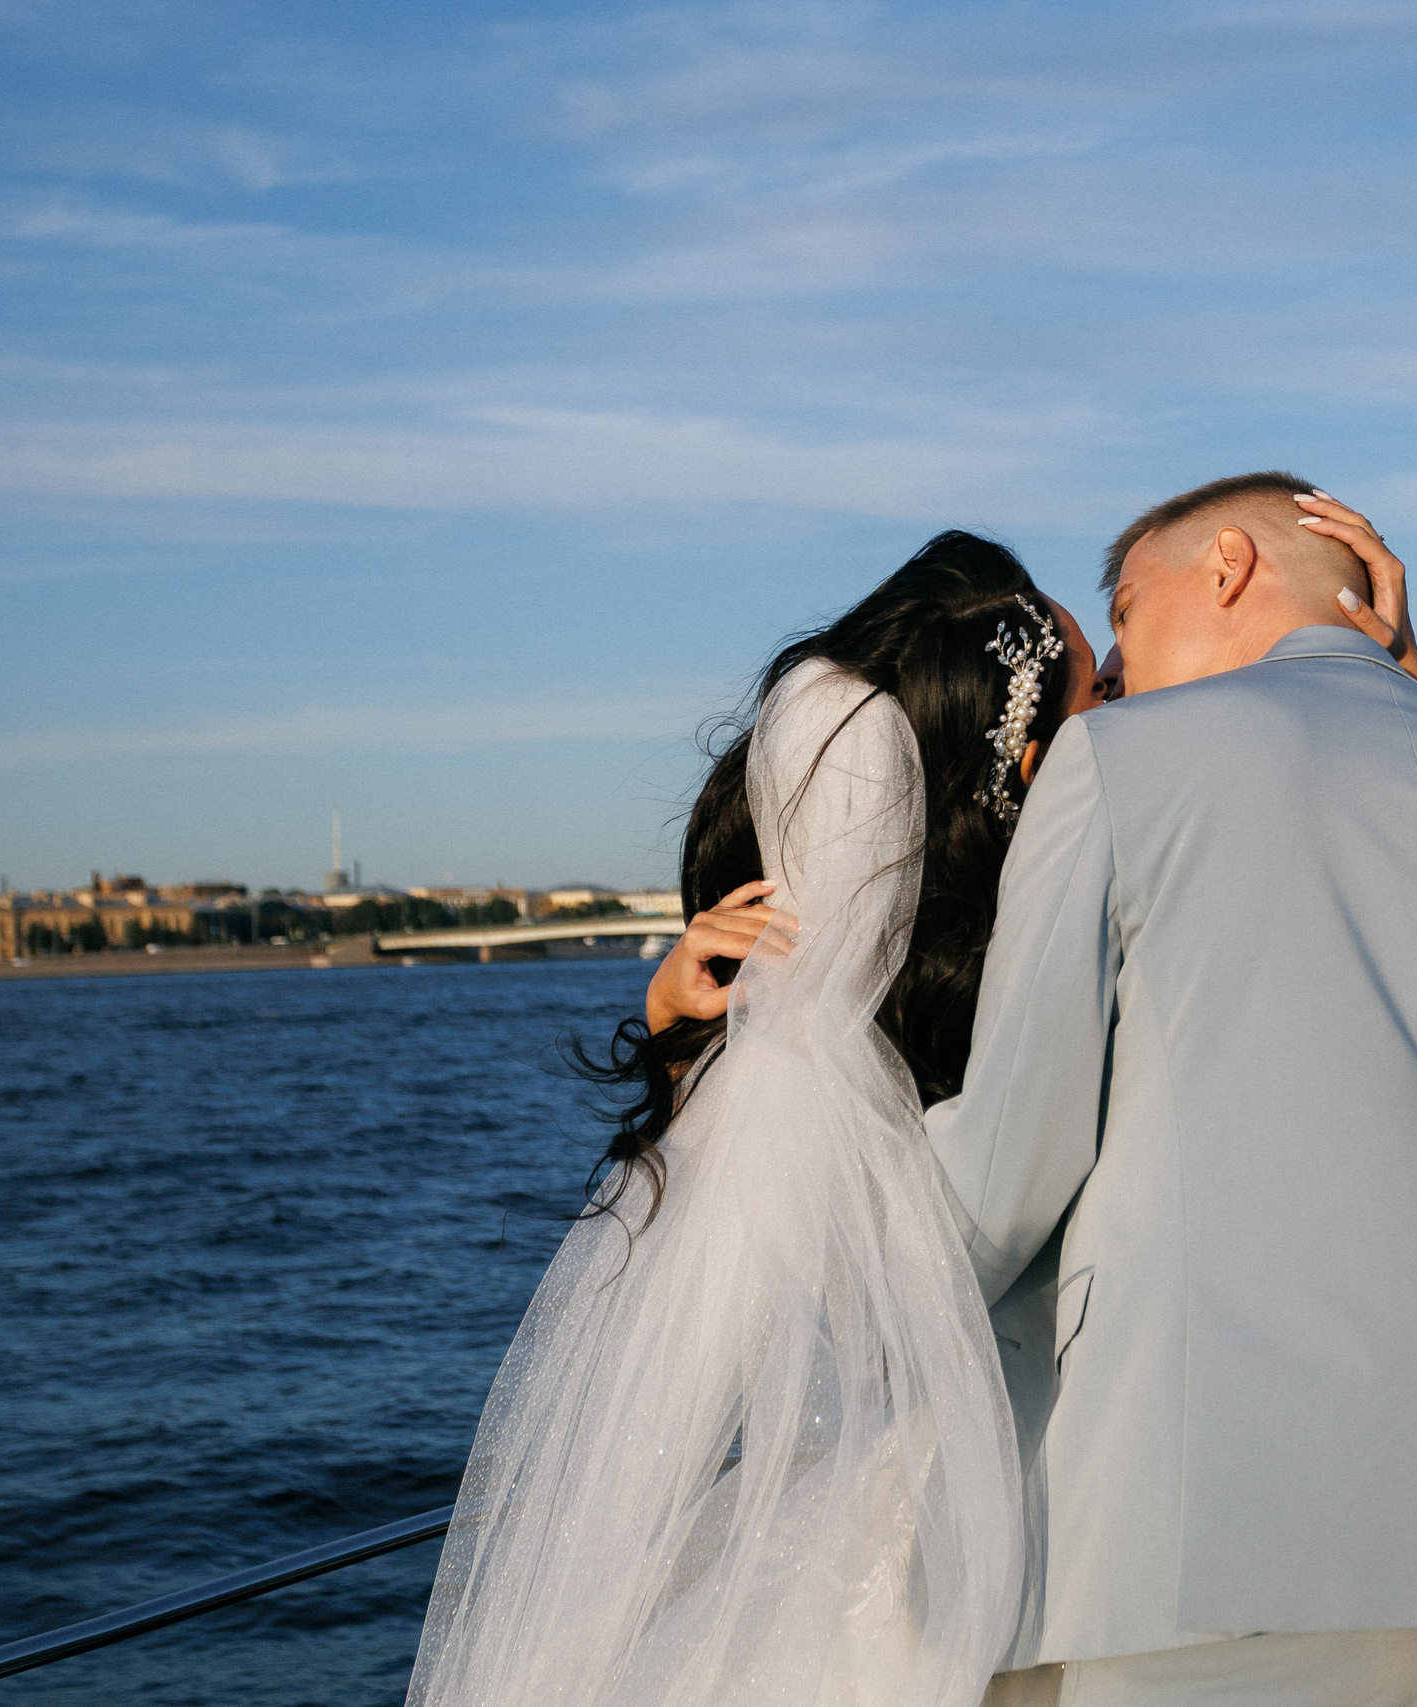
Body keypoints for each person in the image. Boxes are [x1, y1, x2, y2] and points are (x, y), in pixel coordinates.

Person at [928, 472, 1417, 1707]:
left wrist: (792, 1214)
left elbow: (999, 1185)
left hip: (1208, 1562)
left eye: (1128, 619)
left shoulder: (1119, 760)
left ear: (1227, 565)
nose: (1121, 671)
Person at [408, 531, 1107, 1707]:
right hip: (1025, 1490)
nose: (1116, 719)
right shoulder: (1037, 975)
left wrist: (686, 1052)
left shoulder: (794, 1009)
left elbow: (775, 1266)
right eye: (1097, 699)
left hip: (882, 1483)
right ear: (1015, 763)